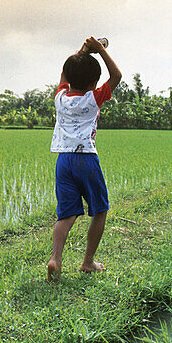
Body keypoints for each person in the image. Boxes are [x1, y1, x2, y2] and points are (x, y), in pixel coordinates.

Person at [47, 36, 122, 282]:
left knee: (65, 215)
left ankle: (56, 259)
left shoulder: (60, 99)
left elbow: (65, 74)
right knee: (100, 210)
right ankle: (88, 262)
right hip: (86, 159)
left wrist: (82, 52)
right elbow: (117, 76)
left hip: (63, 161)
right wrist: (100, 51)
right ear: (93, 82)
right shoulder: (94, 98)